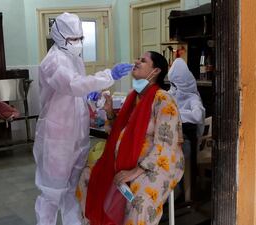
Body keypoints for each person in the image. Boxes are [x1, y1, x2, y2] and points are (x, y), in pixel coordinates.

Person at [33, 12, 132, 225]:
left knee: (71, 189)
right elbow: (72, 84)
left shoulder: (73, 58)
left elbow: (77, 89)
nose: (77, 43)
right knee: (51, 194)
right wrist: (109, 76)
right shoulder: (53, 61)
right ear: (59, 37)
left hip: (77, 135)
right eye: (72, 39)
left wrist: (90, 96)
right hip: (58, 137)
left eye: (80, 38)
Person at [79, 51, 184, 225]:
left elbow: (166, 145)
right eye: (137, 59)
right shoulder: (132, 97)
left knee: (138, 200)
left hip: (158, 163)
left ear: (155, 71)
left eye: (143, 61)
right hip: (126, 161)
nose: (136, 62)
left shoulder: (163, 100)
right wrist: (110, 112)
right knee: (87, 177)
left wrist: (135, 171)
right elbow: (119, 133)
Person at [167, 58, 205, 202]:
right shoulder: (172, 93)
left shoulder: (192, 97)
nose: (172, 87)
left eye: (174, 84)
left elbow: (198, 115)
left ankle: (181, 192)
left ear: (182, 83)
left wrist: (177, 114)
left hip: (187, 138)